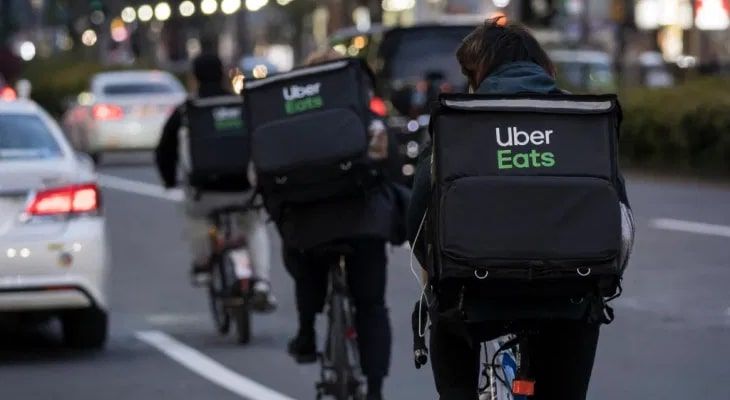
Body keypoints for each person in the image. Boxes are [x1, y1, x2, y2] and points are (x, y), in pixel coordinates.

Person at [407, 19, 633, 400]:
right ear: (544, 68)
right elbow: (621, 227)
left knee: (446, 320)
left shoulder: (459, 121)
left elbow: (418, 221)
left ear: (476, 74)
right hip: (569, 298)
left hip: (472, 299)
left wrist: (439, 280)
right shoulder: (581, 121)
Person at [272, 49, 407, 400]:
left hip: (310, 224)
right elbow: (392, 169)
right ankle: (374, 389)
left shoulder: (293, 122)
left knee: (304, 258)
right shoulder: (366, 117)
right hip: (366, 224)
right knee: (371, 305)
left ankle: (306, 332)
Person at [155, 53, 276, 311]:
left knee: (195, 217)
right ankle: (262, 283)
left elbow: (165, 150)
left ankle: (202, 264)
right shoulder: (242, 104)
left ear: (194, 78)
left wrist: (169, 181)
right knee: (254, 225)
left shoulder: (187, 110)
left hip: (205, 191)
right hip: (244, 188)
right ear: (223, 74)